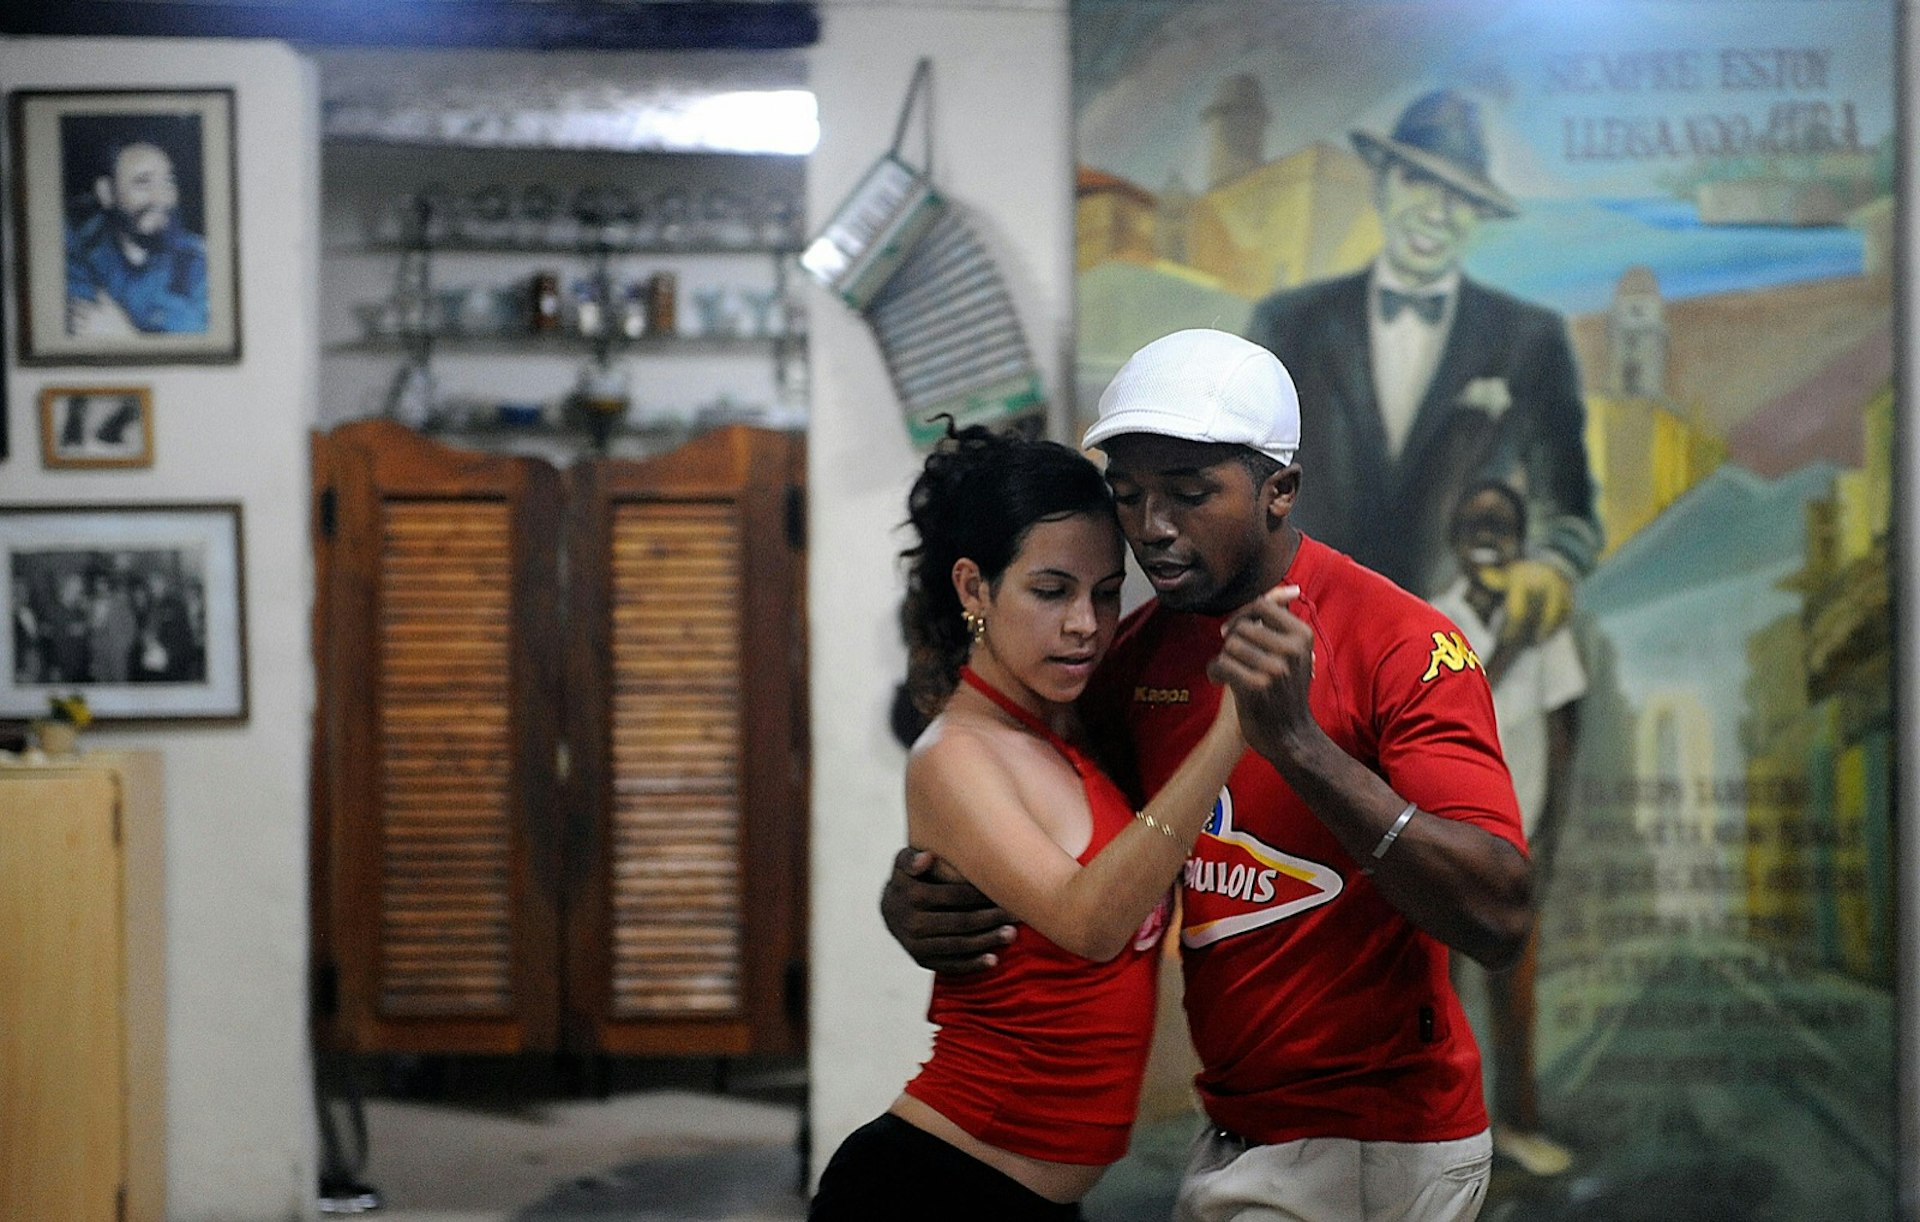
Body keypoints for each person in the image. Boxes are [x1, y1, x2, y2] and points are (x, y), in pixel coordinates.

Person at [883, 329, 1533, 1222]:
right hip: (1233, 1129)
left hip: (1379, 1140)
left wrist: (1298, 745)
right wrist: (923, 886)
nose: (1153, 528)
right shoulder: (1136, 656)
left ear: (1280, 491)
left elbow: (1499, 916)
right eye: (1131, 497)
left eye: (1189, 495)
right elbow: (1036, 812)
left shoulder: (1402, 643)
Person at [810, 423, 1251, 1220]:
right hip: (930, 1190)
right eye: (1051, 592)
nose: (1085, 623)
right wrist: (1233, 732)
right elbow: (1090, 923)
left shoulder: (1068, 733)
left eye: (1106, 592)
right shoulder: (953, 756)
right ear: (975, 589)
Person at [1245, 89, 1599, 651]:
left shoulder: (1531, 341)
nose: (1436, 212)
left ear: (1478, 214)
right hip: (1307, 642)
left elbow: (1569, 509)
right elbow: (1246, 487)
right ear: (1382, 184)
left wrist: (1553, 562)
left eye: (1459, 197)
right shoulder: (1288, 326)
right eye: (1418, 182)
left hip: (1460, 651)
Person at [1428, 481, 1586, 1178]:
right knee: (1435, 997)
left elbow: (1562, 732)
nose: (1486, 534)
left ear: (1521, 537)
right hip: (1438, 846)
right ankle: (1437, 1139)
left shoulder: (1546, 624)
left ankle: (1519, 1125)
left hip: (1514, 847)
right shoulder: (1429, 620)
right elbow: (1438, 727)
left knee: (1513, 998)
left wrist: (1546, 836)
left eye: (1500, 523)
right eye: (1473, 522)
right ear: (1456, 539)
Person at [66, 139, 209, 336]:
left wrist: (129, 337)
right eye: (143, 182)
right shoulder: (82, 254)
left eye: (168, 182)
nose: (162, 198)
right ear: (107, 193)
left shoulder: (199, 263)